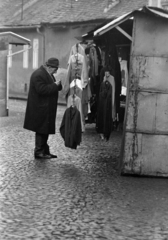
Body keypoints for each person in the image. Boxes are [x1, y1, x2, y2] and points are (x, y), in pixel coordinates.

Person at [23, 57, 62, 159]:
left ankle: (45, 151)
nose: (56, 71)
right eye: (55, 68)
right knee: (41, 129)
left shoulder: (47, 74)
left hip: (45, 108)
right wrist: (54, 85)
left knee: (45, 129)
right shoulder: (39, 74)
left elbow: (52, 87)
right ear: (49, 67)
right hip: (40, 108)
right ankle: (39, 152)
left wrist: (57, 85)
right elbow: (42, 90)